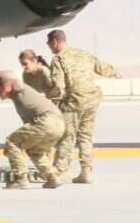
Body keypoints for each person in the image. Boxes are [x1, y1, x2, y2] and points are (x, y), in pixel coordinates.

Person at [46, 29, 119, 184]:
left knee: (67, 137)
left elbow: (58, 87)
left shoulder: (58, 59)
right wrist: (116, 73)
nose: (49, 48)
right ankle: (86, 172)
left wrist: (53, 102)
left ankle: (58, 173)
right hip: (92, 100)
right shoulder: (83, 54)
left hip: (73, 103)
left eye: (49, 44)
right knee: (85, 137)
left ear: (54, 42)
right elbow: (102, 68)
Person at [0, 74, 65, 190]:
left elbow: (12, 76)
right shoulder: (17, 97)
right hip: (59, 125)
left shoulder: (20, 90)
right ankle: (53, 177)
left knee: (12, 142)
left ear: (7, 87)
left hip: (46, 121)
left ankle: (21, 180)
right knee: (35, 151)